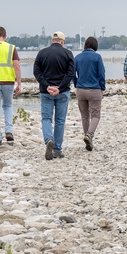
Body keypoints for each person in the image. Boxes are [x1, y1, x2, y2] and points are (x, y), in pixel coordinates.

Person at [33, 31, 76, 160]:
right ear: (62, 42)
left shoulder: (42, 53)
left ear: (52, 41)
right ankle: (57, 149)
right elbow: (71, 73)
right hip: (62, 92)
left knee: (46, 118)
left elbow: (36, 72)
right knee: (60, 121)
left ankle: (48, 139)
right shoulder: (68, 54)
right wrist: (60, 87)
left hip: (46, 92)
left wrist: (47, 86)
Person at [74, 36, 105, 151]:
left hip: (81, 90)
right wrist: (102, 86)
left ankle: (87, 137)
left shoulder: (77, 57)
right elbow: (101, 73)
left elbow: (72, 73)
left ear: (85, 45)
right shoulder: (97, 57)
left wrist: (76, 83)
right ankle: (89, 135)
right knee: (95, 115)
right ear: (95, 46)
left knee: (84, 116)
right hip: (94, 89)